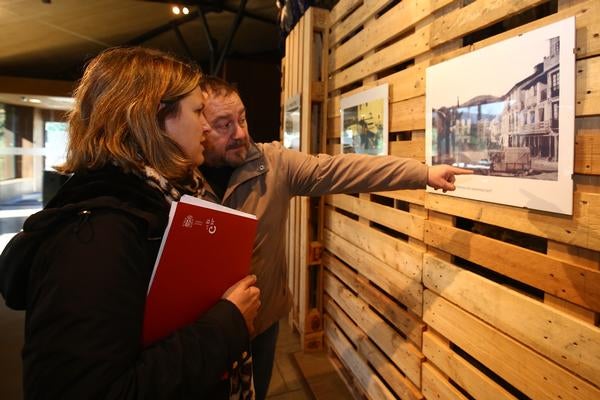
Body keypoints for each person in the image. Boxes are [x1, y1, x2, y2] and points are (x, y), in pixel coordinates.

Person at [0, 47, 260, 399]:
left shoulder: (157, 201)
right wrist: (226, 324)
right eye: (198, 111)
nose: (205, 126)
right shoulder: (96, 237)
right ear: (154, 118)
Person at [198, 76, 472, 400]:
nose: (240, 133)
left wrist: (422, 173)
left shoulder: (273, 165)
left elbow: (343, 170)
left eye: (242, 119)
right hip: (201, 330)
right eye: (224, 125)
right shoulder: (179, 180)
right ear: (198, 127)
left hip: (262, 322)